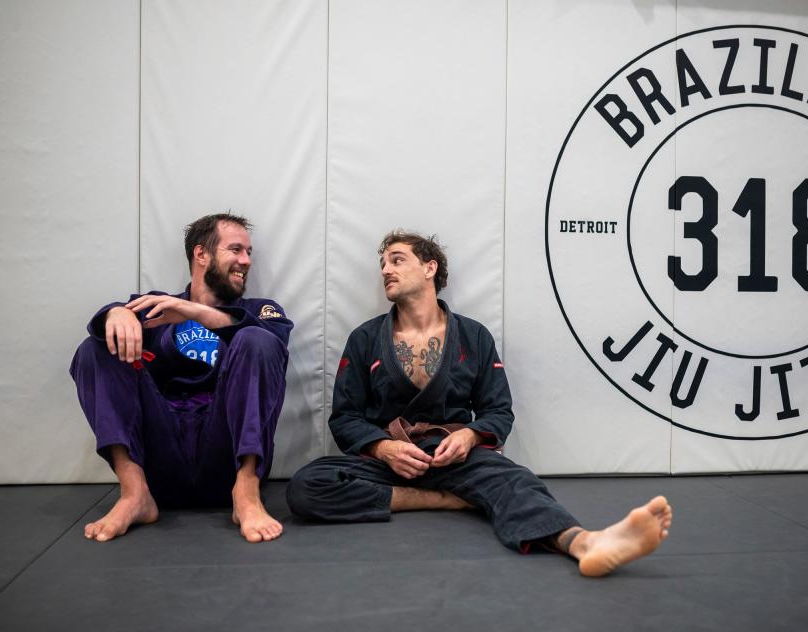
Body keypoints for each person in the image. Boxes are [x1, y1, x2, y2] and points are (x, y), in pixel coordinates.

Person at [287, 230, 672, 576]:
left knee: (518, 481)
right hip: (389, 463)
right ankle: (450, 501)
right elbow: (345, 417)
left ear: (429, 267)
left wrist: (470, 436)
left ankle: (585, 543)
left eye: (397, 259)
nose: (386, 269)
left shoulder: (473, 336)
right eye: (383, 263)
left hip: (453, 456)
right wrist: (383, 447)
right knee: (307, 486)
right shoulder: (365, 338)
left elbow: (498, 409)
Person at [70, 212, 293, 543]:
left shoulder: (262, 309)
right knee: (94, 349)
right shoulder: (157, 308)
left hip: (225, 455)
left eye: (248, 253)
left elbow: (271, 346)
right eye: (235, 250)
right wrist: (116, 312)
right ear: (201, 254)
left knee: (258, 340)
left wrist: (193, 311)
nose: (245, 261)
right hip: (162, 454)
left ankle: (246, 493)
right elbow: (107, 330)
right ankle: (134, 493)